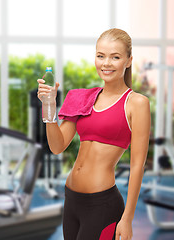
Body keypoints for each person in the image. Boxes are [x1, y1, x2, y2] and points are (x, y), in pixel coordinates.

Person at [37, 28, 151, 240]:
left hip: (102, 205)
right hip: (71, 200)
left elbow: (137, 165)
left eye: (115, 57)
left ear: (128, 61)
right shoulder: (80, 97)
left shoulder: (136, 103)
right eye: (100, 56)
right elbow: (57, 146)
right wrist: (49, 106)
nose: (106, 63)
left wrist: (127, 219)